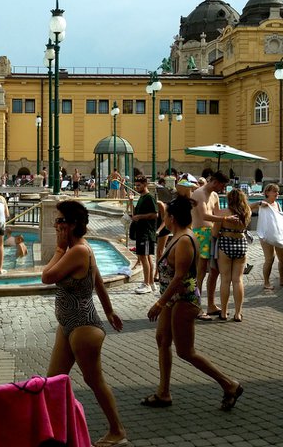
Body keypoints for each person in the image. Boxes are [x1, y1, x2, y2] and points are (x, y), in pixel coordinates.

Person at [145, 196, 243, 410]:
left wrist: (160, 303)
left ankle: (229, 384)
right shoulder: (175, 236)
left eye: (166, 215)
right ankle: (163, 393)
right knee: (162, 340)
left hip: (184, 301)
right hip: (172, 299)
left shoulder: (184, 241)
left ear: (172, 217)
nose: (164, 218)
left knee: (185, 351)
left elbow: (179, 277)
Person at [42, 200, 127, 447]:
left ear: (71, 225)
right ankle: (59, 431)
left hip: (83, 327)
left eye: (58, 221)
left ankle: (118, 431)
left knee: (95, 382)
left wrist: (58, 249)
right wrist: (110, 311)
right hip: (68, 326)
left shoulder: (78, 250)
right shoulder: (79, 249)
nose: (55, 225)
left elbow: (47, 276)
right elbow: (98, 281)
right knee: (53, 382)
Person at [191, 171, 234, 321]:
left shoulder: (214, 195)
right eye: (222, 185)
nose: (222, 189)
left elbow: (217, 212)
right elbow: (205, 215)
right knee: (200, 272)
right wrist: (226, 217)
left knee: (214, 270)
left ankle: (211, 304)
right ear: (215, 182)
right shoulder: (198, 193)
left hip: (213, 233)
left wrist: (239, 209)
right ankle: (196, 307)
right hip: (201, 234)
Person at [212, 189, 251, 321]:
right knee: (238, 280)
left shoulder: (222, 214)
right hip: (241, 244)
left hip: (225, 244)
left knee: (225, 280)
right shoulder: (247, 213)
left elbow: (214, 233)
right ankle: (238, 313)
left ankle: (223, 312)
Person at [251, 183, 283, 289]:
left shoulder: (277, 204)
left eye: (277, 191)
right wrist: (258, 202)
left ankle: (282, 280)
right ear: (267, 193)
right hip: (265, 235)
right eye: (274, 191)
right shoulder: (262, 204)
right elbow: (247, 207)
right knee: (270, 259)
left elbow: (281, 218)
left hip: (278, 235)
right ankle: (266, 283)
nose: (277, 193)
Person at [130, 176, 158, 295]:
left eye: (139, 185)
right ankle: (151, 282)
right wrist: (131, 201)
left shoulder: (149, 198)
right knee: (146, 257)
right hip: (141, 231)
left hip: (146, 232)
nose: (137, 187)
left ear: (145, 184)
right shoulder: (141, 197)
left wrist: (140, 217)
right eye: (136, 185)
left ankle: (146, 284)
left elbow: (155, 215)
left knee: (143, 257)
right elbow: (135, 214)